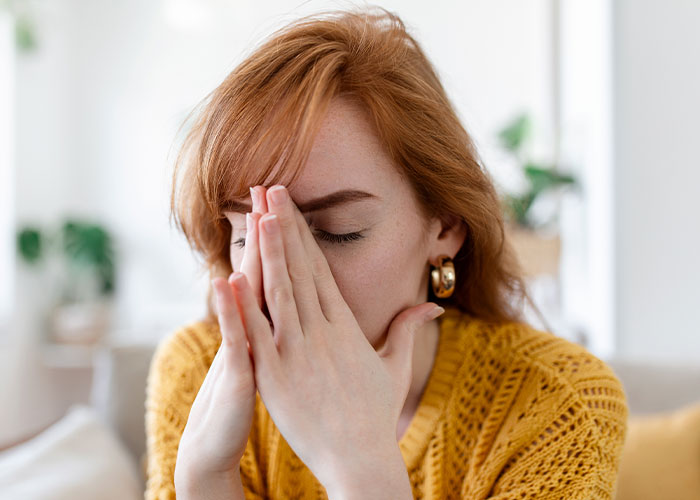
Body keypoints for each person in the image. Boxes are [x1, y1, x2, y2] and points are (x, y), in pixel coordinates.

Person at [145, 6, 628, 499]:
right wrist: (205, 480)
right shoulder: (195, 372)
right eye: (247, 233)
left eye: (338, 231)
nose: (283, 275)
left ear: (445, 226)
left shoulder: (557, 403)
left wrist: (362, 469)